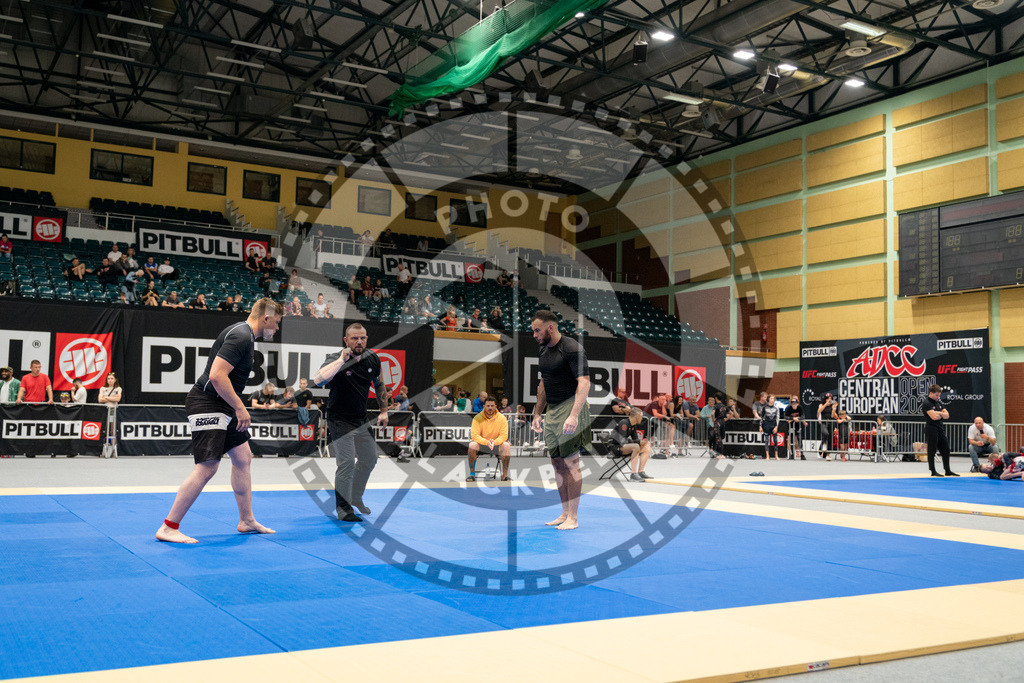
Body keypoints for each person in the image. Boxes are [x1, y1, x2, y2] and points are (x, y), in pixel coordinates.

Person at [155, 298, 282, 543]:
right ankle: (168, 527)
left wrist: (234, 406)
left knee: (243, 457)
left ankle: (246, 520)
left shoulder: (244, 334)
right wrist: (240, 407)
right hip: (208, 401)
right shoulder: (242, 336)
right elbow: (216, 376)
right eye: (276, 324)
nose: (276, 329)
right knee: (208, 466)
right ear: (266, 318)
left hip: (223, 403)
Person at [315, 323, 391, 522]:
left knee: (369, 459)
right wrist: (341, 360)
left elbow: (379, 384)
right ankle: (343, 507)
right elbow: (319, 380)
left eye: (363, 338)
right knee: (347, 462)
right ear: (346, 340)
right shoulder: (335, 358)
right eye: (355, 338)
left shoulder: (373, 358)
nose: (359, 342)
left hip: (360, 418)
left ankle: (356, 496)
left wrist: (384, 411)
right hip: (339, 418)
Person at [530, 309, 591, 531]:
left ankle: (573, 518)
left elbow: (584, 383)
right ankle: (564, 512)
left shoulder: (572, 348)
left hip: (570, 406)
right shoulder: (543, 350)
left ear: (551, 327)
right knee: (556, 462)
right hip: (553, 410)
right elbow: (544, 384)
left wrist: (574, 415)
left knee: (571, 463)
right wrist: (537, 412)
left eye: (537, 330)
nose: (535, 335)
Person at [466, 396, 511, 481]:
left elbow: (504, 436)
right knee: (472, 445)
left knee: (506, 445)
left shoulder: (502, 418)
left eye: (492, 406)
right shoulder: (477, 418)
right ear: (484, 407)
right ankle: (472, 475)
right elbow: (475, 436)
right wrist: (486, 442)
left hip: (496, 444)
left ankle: (505, 476)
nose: (490, 408)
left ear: (496, 407)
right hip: (482, 445)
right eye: (488, 406)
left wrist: (494, 442)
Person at [923, 383, 957, 477]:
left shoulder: (939, 402)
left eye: (939, 395)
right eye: (936, 395)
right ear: (931, 393)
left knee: (946, 448)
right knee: (932, 449)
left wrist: (938, 413)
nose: (938, 397)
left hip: (940, 428)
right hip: (931, 428)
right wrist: (941, 413)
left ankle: (947, 470)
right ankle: (933, 470)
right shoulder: (926, 403)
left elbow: (947, 415)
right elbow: (934, 417)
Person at [612, 407, 653, 482]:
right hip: (615, 447)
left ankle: (640, 472)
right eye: (641, 416)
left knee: (647, 446)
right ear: (637, 416)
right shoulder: (624, 423)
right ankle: (633, 474)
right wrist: (639, 442)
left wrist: (642, 441)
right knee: (636, 446)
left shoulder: (633, 425)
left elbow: (636, 439)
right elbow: (622, 440)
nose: (642, 418)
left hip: (624, 446)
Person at [759, 393, 781, 460]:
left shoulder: (776, 408)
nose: (772, 400)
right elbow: (762, 418)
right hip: (766, 425)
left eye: (773, 399)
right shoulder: (764, 408)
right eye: (771, 398)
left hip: (773, 425)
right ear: (768, 399)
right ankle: (767, 456)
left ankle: (776, 456)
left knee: (775, 440)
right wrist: (760, 426)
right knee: (766, 441)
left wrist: (776, 427)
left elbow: (778, 418)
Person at [816, 393, 837, 460]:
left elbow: (832, 416)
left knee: (830, 437)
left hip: (831, 422)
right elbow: (819, 411)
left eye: (830, 399)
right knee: (825, 433)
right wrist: (825, 404)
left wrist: (834, 408)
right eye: (827, 398)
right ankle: (823, 447)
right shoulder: (821, 404)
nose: (829, 400)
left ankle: (827, 454)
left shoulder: (832, 406)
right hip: (824, 422)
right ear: (825, 399)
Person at [784, 395, 804, 460]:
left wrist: (798, 418)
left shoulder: (800, 408)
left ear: (797, 404)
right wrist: (793, 418)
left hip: (798, 426)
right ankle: (792, 454)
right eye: (792, 404)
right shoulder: (788, 408)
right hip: (790, 426)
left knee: (800, 439)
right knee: (791, 440)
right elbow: (785, 417)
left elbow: (803, 416)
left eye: (795, 404)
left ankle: (802, 454)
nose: (794, 406)